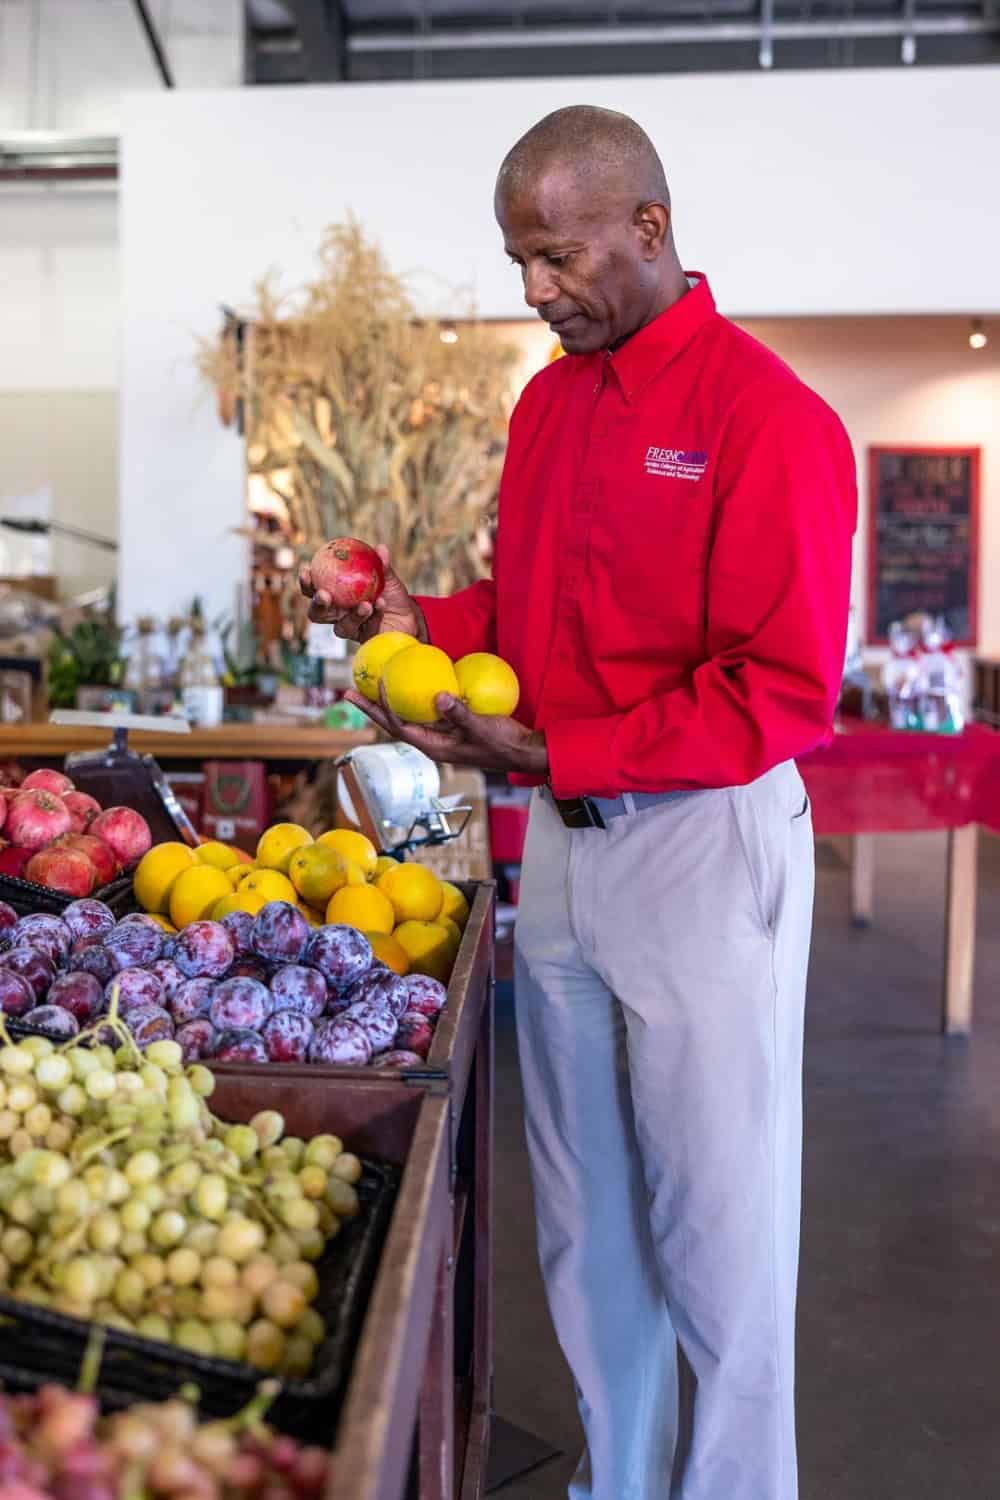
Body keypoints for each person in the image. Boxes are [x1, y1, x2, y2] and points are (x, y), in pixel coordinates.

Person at [302, 105, 856, 1500]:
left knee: (719, 1231)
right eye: (519, 262)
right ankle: (624, 1482)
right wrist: (408, 624)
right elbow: (526, 622)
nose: (535, 290)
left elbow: (780, 693)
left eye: (554, 256)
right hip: (559, 854)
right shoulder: (548, 405)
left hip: (702, 851)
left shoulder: (769, 417)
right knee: (588, 1223)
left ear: (647, 230)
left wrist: (557, 755)